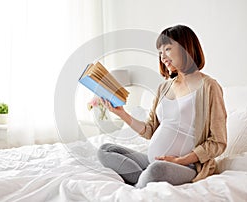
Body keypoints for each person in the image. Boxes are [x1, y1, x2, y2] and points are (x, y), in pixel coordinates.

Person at [97, 25, 227, 188]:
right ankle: (143, 179)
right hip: (154, 161)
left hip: (185, 166)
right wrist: (122, 114)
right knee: (105, 150)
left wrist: (180, 160)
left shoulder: (209, 87)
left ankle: (140, 184)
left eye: (167, 49)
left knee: (156, 169)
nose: (162, 57)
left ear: (185, 48)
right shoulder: (163, 88)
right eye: (160, 52)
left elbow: (218, 142)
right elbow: (150, 130)